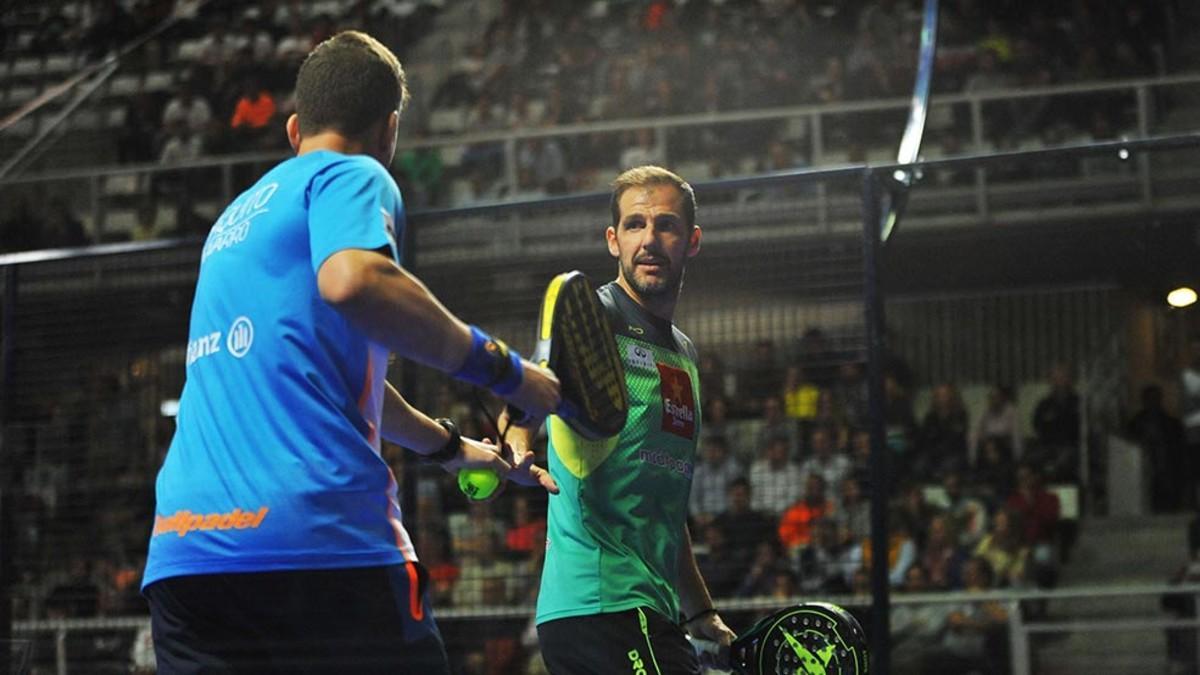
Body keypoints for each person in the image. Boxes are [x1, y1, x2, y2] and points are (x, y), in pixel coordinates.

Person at [140, 31, 560, 675]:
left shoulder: (231, 222)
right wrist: (506, 372)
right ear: (389, 129)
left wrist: (451, 449)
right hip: (318, 546)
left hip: (186, 558)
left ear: (292, 129)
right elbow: (354, 280)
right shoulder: (352, 172)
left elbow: (333, 381)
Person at [507, 166, 736, 674]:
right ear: (613, 240)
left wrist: (700, 611)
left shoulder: (685, 356)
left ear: (691, 241)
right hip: (600, 603)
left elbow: (663, 505)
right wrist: (517, 442)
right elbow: (528, 392)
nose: (649, 240)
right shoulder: (594, 317)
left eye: (666, 226)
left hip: (649, 610)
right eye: (634, 225)